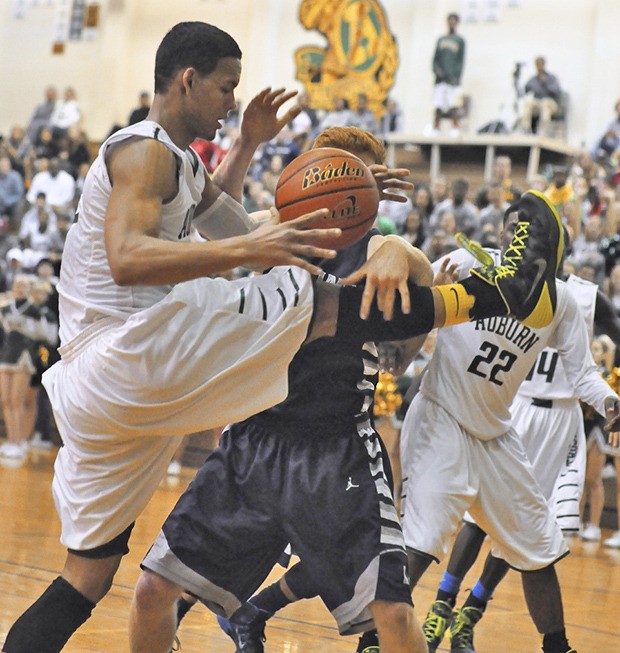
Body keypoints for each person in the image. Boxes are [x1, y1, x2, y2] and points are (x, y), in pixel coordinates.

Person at [0, 21, 560, 653]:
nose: (232, 101)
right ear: (187, 80)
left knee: (88, 576)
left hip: (106, 391)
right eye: (225, 87)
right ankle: (505, 293)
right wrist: (257, 244)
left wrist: (271, 162)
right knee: (315, 300)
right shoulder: (145, 149)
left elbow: (235, 224)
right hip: (128, 350)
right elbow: (133, 257)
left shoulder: (181, 164)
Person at [130, 125, 431, 653]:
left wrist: (398, 247)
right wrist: (247, 146)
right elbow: (225, 224)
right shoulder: (273, 229)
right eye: (325, 168)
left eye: (349, 174)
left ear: (367, 190)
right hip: (253, 439)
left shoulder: (379, 244)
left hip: (337, 450)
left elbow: (418, 270)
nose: (332, 181)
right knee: (153, 589)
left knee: (395, 617)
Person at [397, 201, 620, 653]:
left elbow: (581, 374)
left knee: (538, 545)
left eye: (533, 232)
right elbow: (422, 308)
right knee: (422, 539)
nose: (522, 239)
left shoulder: (562, 301)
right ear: (503, 236)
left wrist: (612, 401)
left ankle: (557, 646)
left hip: (498, 430)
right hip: (444, 415)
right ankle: (373, 638)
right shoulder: (465, 263)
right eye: (515, 230)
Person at [428, 13, 466, 137]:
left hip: (452, 80)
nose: (451, 23)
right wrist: (437, 70)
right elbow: (434, 59)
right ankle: (435, 127)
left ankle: (455, 127)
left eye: (454, 21)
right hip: (440, 79)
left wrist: (456, 77)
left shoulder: (460, 41)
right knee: (438, 104)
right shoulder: (441, 40)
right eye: (450, 21)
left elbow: (461, 61)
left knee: (453, 105)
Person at [519, 57, 562, 136]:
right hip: (538, 103)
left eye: (540, 64)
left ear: (544, 64)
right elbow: (524, 91)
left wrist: (544, 82)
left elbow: (556, 91)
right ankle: (525, 128)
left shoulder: (551, 78)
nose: (539, 66)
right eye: (537, 64)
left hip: (551, 103)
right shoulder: (533, 79)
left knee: (545, 103)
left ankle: (544, 129)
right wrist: (517, 81)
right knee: (529, 103)